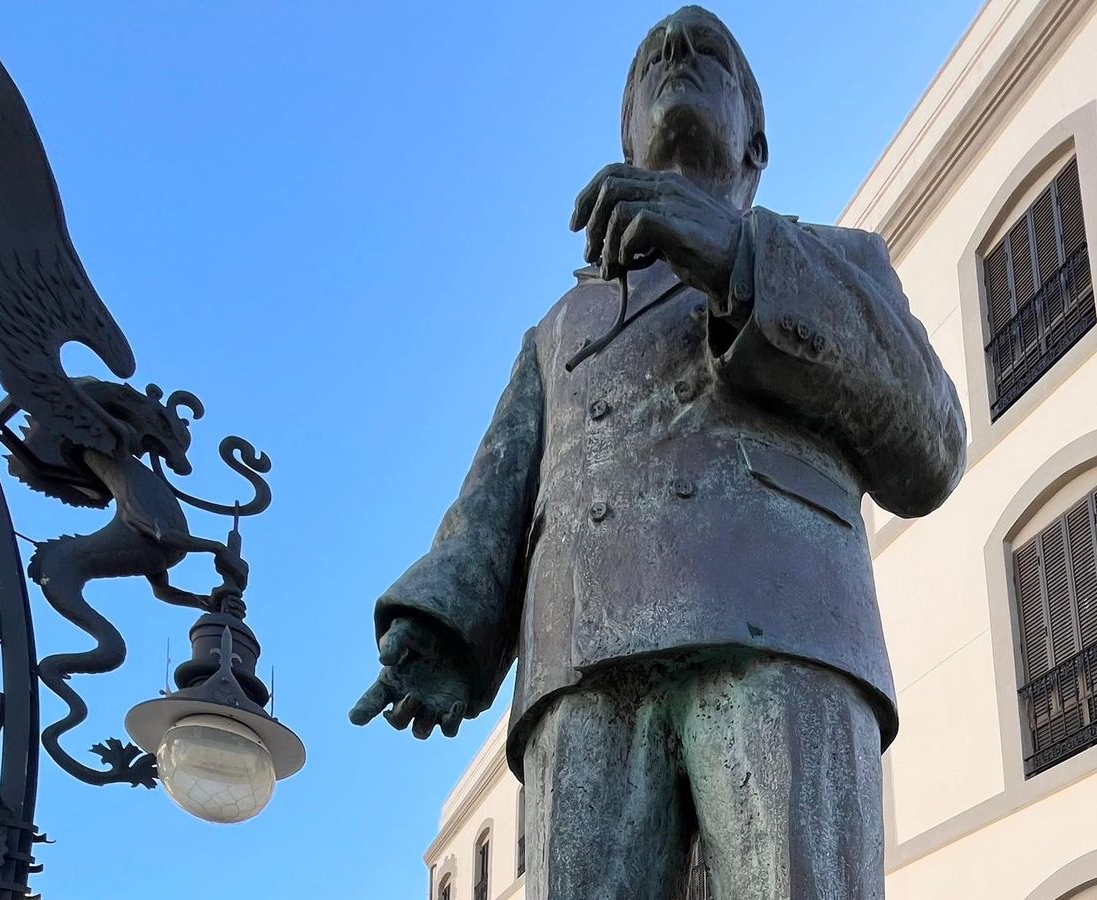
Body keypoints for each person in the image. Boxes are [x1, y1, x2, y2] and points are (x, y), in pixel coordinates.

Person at [350, 7, 965, 898]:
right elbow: (497, 495)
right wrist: (445, 625)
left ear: (756, 150)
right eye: (651, 63)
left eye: (708, 55)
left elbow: (933, 446)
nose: (676, 55)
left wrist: (740, 260)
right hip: (581, 657)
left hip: (783, 626)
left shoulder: (837, 263)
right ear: (628, 142)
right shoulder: (557, 331)